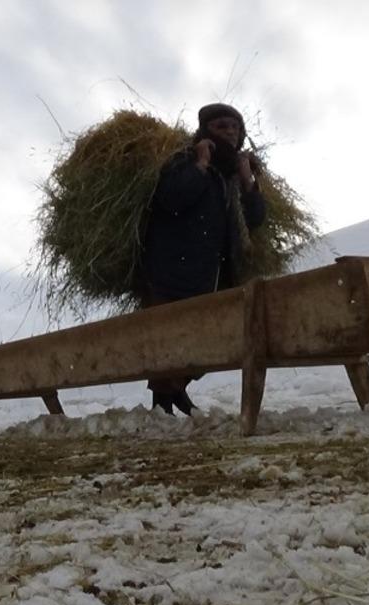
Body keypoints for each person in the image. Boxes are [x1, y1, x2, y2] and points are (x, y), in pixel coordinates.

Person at [140, 102, 267, 415]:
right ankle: (163, 403)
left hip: (212, 273)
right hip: (171, 267)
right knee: (166, 335)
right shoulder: (183, 158)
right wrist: (199, 163)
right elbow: (171, 198)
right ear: (205, 130)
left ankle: (175, 391)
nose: (230, 132)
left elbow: (256, 218)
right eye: (221, 126)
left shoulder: (235, 174)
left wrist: (248, 179)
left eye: (235, 127)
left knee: (207, 336)